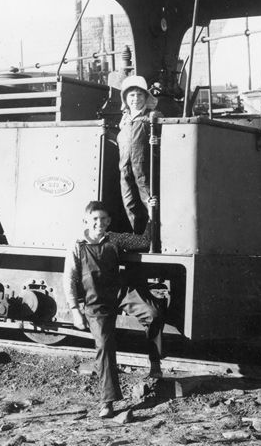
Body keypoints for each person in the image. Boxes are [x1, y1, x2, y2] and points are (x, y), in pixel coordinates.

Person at [63, 201, 165, 418]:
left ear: (108, 221)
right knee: (105, 346)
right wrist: (75, 310)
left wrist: (150, 213)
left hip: (119, 292)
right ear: (86, 221)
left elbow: (144, 241)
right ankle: (107, 402)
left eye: (103, 219)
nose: (99, 223)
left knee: (153, 313)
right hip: (95, 301)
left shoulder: (114, 238)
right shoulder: (76, 245)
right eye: (95, 219)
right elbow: (69, 279)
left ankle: (155, 364)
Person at [117, 75, 160, 234]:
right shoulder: (124, 119)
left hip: (144, 168)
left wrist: (158, 140)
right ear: (126, 99)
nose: (136, 99)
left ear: (146, 96)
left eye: (140, 94)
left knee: (149, 202)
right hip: (125, 168)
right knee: (130, 203)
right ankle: (138, 237)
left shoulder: (153, 116)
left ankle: (153, 239)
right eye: (132, 95)